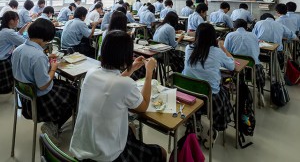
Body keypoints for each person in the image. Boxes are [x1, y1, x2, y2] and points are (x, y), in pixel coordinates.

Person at [70, 30, 166, 162]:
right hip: (108, 155)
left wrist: (130, 70)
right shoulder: (125, 84)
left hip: (85, 146)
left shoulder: (91, 73)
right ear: (126, 56)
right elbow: (143, 106)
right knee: (161, 152)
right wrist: (149, 72)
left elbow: (111, 86)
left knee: (130, 129)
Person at [11, 19, 77, 144]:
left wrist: (46, 58)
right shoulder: (37, 55)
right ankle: (53, 125)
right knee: (74, 93)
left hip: (25, 97)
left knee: (66, 86)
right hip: (41, 100)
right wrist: (53, 68)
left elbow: (29, 64)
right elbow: (43, 85)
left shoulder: (18, 49)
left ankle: (54, 124)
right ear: (43, 39)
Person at [182, 23, 234, 136]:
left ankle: (195, 121)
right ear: (213, 36)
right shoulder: (217, 52)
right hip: (209, 97)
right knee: (225, 88)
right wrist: (224, 49)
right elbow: (232, 66)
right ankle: (216, 125)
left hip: (187, 93)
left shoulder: (188, 48)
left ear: (197, 36)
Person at [224, 19, 265, 104]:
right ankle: (260, 91)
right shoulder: (253, 35)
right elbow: (257, 52)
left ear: (234, 28)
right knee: (259, 65)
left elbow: (225, 52)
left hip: (236, 70)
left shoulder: (230, 35)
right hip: (252, 70)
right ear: (246, 27)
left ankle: (234, 87)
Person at [0, 11, 27, 93]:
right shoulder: (8, 33)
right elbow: (23, 41)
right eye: (17, 20)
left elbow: (15, 36)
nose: (18, 22)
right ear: (11, 21)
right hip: (3, 60)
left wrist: (21, 30)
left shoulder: (3, 30)